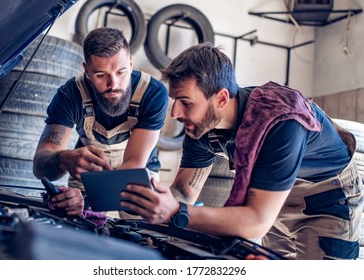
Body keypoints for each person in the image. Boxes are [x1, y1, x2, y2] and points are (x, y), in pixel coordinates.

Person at [120, 42, 363, 260]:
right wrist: (152, 201)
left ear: (222, 99)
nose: (175, 113)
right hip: (274, 198)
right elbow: (184, 192)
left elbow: (256, 222)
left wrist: (177, 212)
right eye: (174, 100)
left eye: (186, 102)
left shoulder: (280, 121)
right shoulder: (202, 127)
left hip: (326, 201)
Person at [33, 27, 168, 217]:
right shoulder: (70, 94)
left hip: (139, 173)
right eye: (101, 75)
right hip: (87, 171)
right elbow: (40, 167)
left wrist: (86, 203)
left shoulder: (153, 93)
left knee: (142, 232)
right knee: (75, 224)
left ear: (131, 63)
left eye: (121, 72)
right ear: (86, 71)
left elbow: (133, 165)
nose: (113, 84)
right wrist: (63, 158)